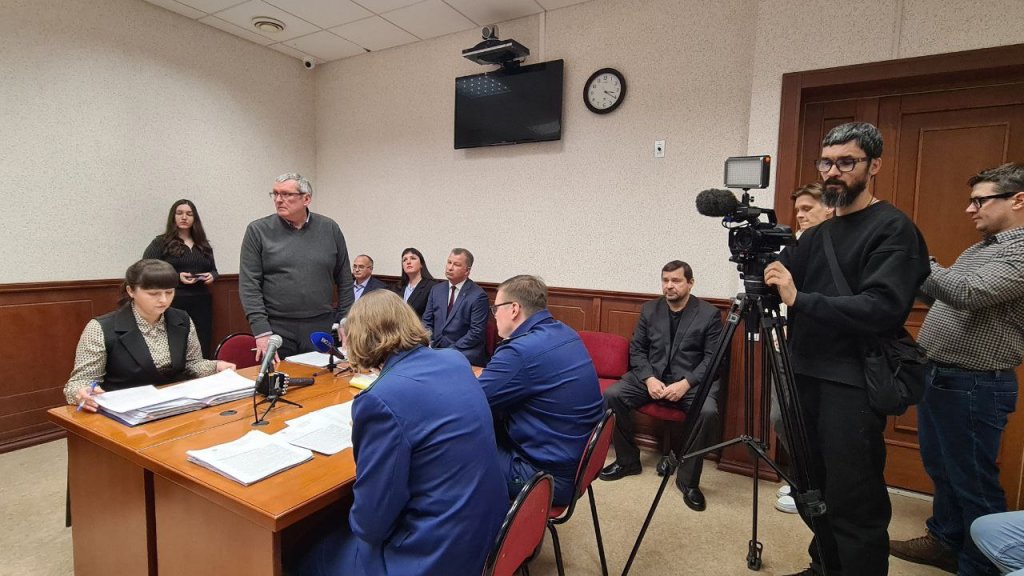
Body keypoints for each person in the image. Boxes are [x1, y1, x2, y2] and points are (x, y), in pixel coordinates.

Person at [764, 122, 930, 576]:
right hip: (803, 372)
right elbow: (779, 281)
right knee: (812, 488)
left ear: (874, 166)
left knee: (853, 497)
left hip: (851, 381)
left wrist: (801, 299)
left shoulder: (893, 229)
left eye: (846, 162)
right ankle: (824, 565)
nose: (833, 172)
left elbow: (882, 307)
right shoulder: (819, 234)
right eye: (826, 162)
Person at [288, 290, 507, 576]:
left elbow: (371, 525)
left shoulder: (380, 399)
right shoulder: (455, 360)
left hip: (435, 554)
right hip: (491, 530)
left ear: (359, 337)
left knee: (299, 551)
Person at [891, 163, 1024, 576]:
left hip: (975, 383)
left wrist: (914, 257)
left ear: (1018, 200)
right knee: (942, 470)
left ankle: (980, 566)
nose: (970, 209)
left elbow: (966, 293)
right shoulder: (980, 249)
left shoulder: (1020, 252)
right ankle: (945, 541)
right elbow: (947, 297)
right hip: (941, 376)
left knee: (973, 481)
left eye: (980, 201)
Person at [600, 260, 725, 512]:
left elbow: (714, 359)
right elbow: (637, 349)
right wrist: (648, 378)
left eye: (676, 280)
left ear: (690, 283)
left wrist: (686, 384)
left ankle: (688, 481)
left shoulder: (709, 314)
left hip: (689, 382)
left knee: (707, 411)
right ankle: (627, 461)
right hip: (653, 377)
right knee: (612, 395)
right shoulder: (650, 310)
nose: (669, 286)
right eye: (665, 280)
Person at [478, 275, 604, 507]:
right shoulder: (565, 332)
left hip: (545, 478)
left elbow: (470, 403)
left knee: (455, 443)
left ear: (514, 309)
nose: (494, 315)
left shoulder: (519, 350)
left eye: (496, 308)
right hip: (577, 463)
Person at [65, 259, 235, 411]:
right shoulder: (101, 328)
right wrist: (82, 392)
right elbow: (80, 381)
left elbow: (192, 363)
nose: (163, 300)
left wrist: (216, 366)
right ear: (131, 291)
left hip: (174, 404)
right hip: (127, 409)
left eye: (169, 292)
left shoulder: (181, 319)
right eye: (154, 294)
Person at [239, 173, 354, 360]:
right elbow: (249, 285)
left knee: (323, 377)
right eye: (275, 193)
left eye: (286, 194)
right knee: (279, 378)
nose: (278, 199)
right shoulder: (257, 230)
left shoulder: (330, 228)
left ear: (306, 199)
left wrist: (346, 319)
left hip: (320, 326)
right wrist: (261, 330)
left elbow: (345, 278)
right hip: (276, 329)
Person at [775, 182, 834, 514]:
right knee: (784, 418)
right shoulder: (798, 245)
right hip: (795, 346)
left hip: (830, 355)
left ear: (830, 208)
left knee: (820, 426)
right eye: (797, 209)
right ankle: (804, 479)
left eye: (807, 208)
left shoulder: (838, 247)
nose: (799, 215)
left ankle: (816, 486)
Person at [143, 199, 218, 357]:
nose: (184, 217)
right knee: (176, 340)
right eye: (180, 213)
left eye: (189, 214)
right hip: (174, 300)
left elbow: (214, 270)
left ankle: (201, 368)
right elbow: (147, 269)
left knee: (202, 340)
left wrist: (212, 276)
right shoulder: (161, 242)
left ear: (194, 218)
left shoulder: (203, 244)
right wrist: (177, 277)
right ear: (173, 217)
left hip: (202, 300)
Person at [421, 248, 489, 366]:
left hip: (463, 352)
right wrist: (429, 342)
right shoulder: (436, 290)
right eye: (449, 262)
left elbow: (476, 332)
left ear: (467, 271)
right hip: (435, 348)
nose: (450, 268)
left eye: (456, 264)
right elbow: (427, 321)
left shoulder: (478, 295)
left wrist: (449, 351)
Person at [394, 247, 436, 318]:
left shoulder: (432, 287)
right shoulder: (397, 287)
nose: (408, 262)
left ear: (421, 264)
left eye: (413, 258)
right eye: (404, 260)